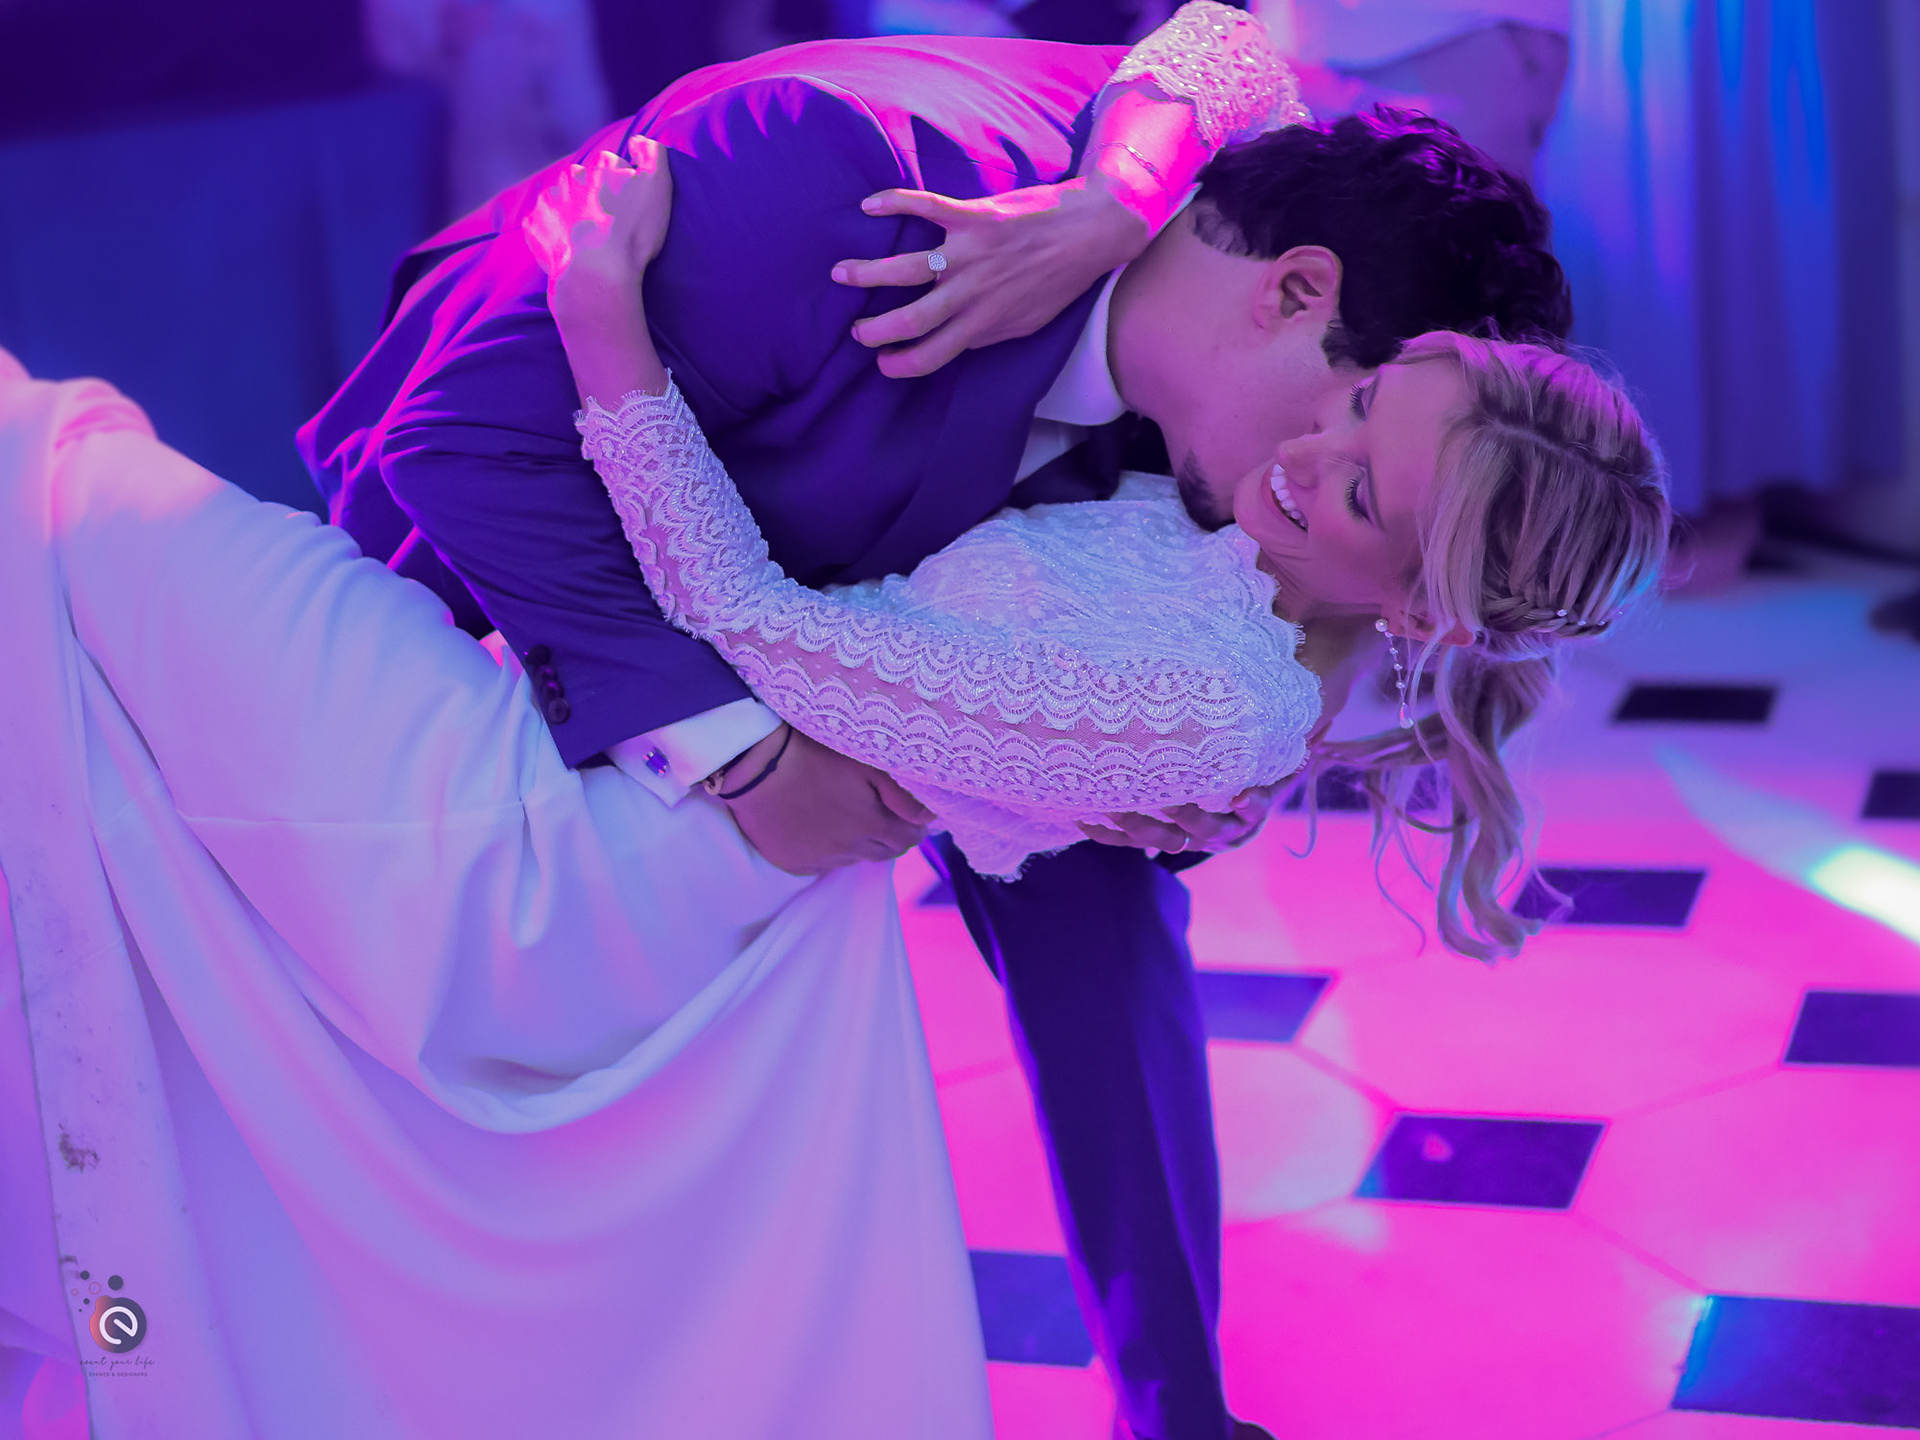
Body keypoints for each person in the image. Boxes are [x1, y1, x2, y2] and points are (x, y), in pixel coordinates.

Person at [0, 156, 1663, 1434]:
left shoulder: (1197, 692)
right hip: (643, 789)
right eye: (1360, 401)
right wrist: (1115, 196)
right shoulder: (1228, 556)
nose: (1312, 447)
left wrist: (603, 330)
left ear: (1430, 610)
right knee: (86, 611)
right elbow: (1214, 58)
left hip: (604, 852)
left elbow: (762, 632)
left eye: (1364, 489)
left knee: (70, 500)